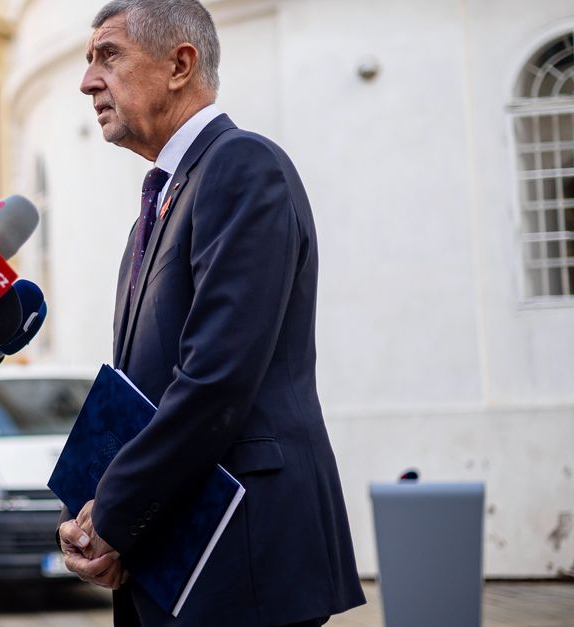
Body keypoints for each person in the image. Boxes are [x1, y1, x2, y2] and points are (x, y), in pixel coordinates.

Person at [58, 2, 365, 625]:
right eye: (90, 60)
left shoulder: (242, 167)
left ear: (180, 64)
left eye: (108, 55)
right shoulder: (162, 201)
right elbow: (142, 390)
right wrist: (106, 518)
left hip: (244, 558)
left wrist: (114, 514)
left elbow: (215, 379)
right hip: (176, 554)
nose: (88, 80)